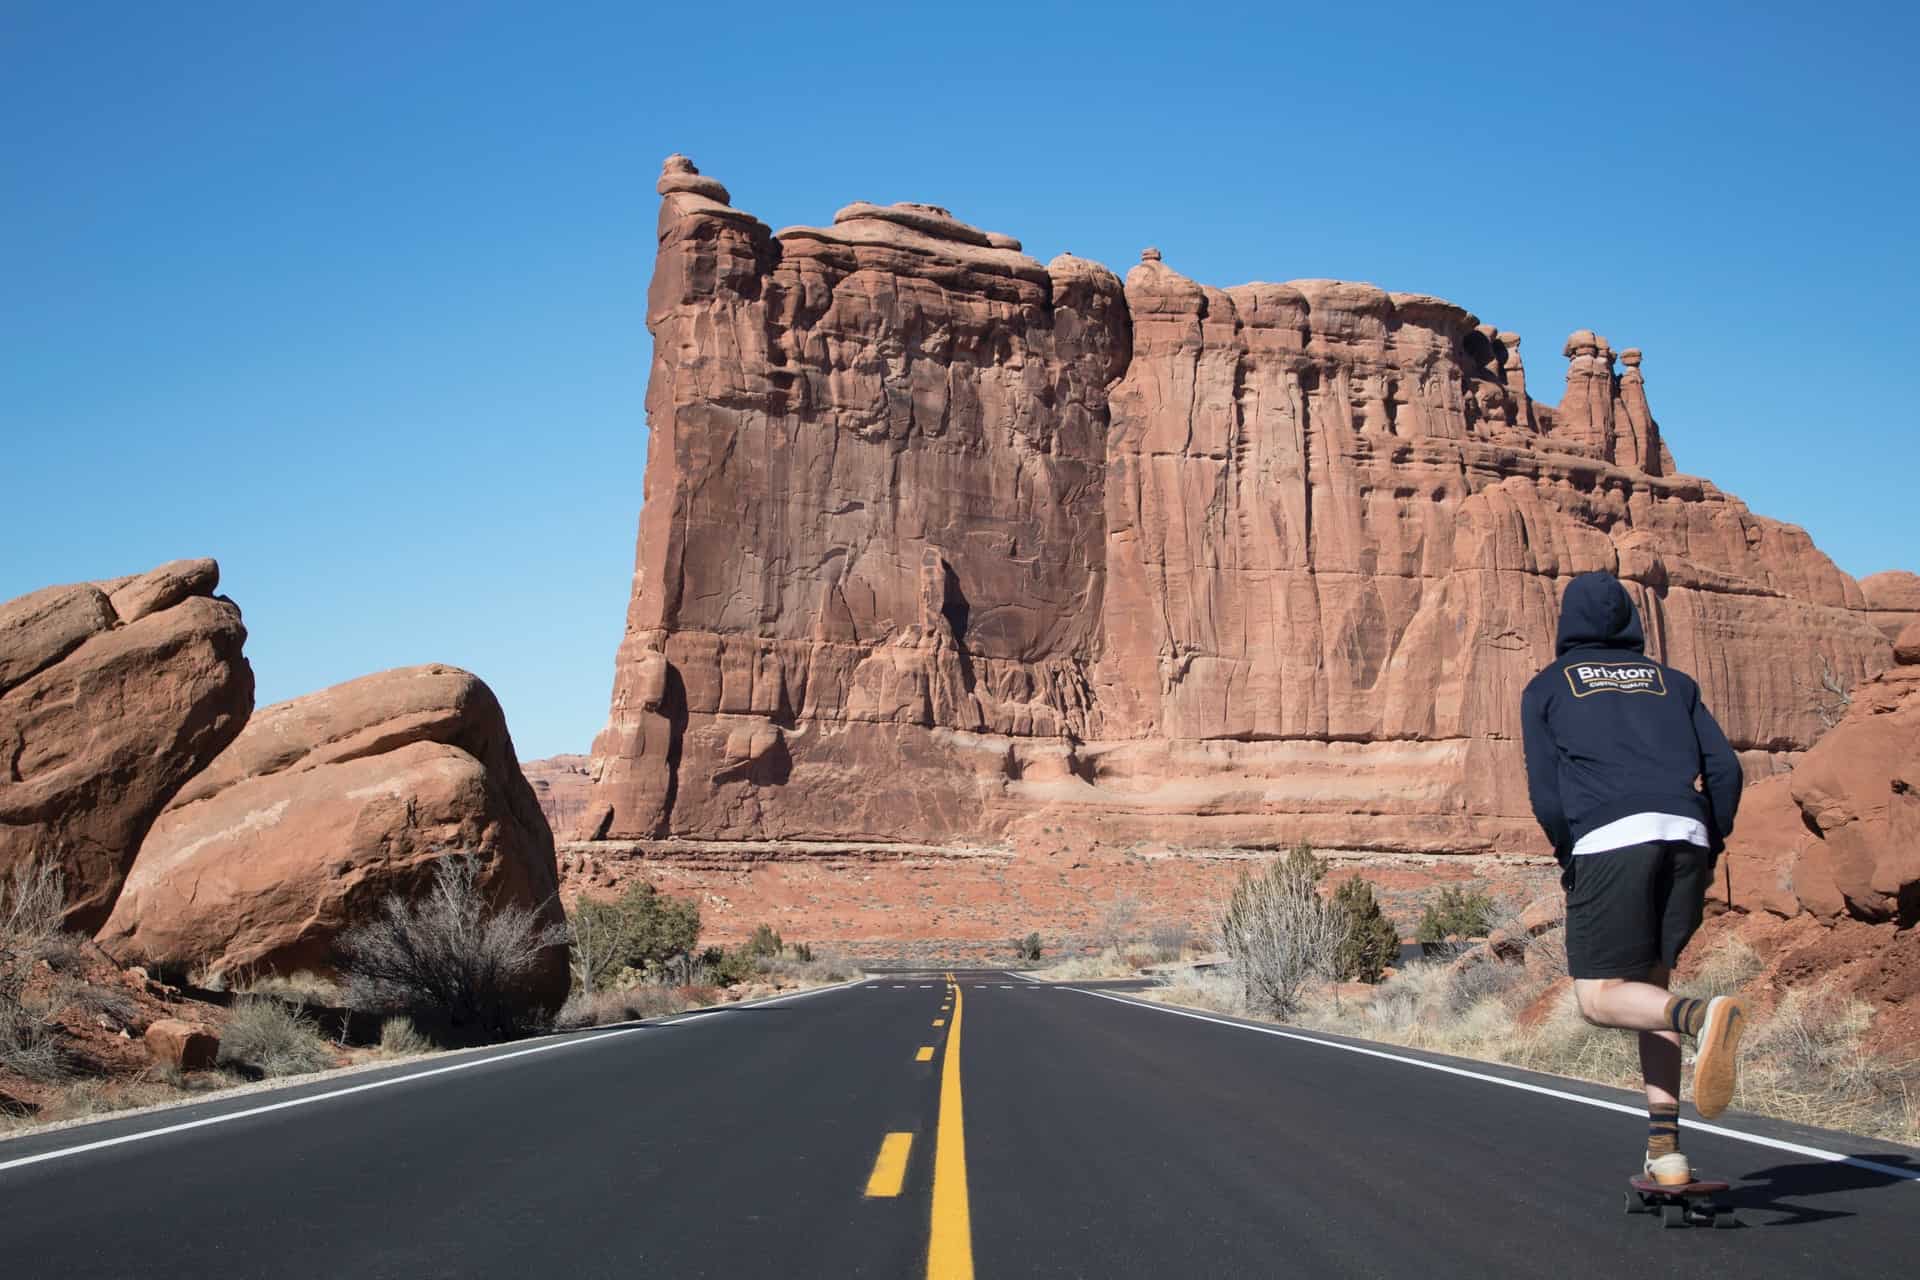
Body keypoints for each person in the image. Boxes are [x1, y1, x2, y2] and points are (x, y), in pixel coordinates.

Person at [1520, 572, 1746, 1188]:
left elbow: (1547, 794)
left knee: (1598, 1000)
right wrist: (1711, 837)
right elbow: (1724, 768)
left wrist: (1572, 851)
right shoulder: (1674, 684)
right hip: (1686, 837)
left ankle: (1704, 1017)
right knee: (1652, 996)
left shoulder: (1548, 688)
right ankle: (1666, 1152)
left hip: (1609, 840)